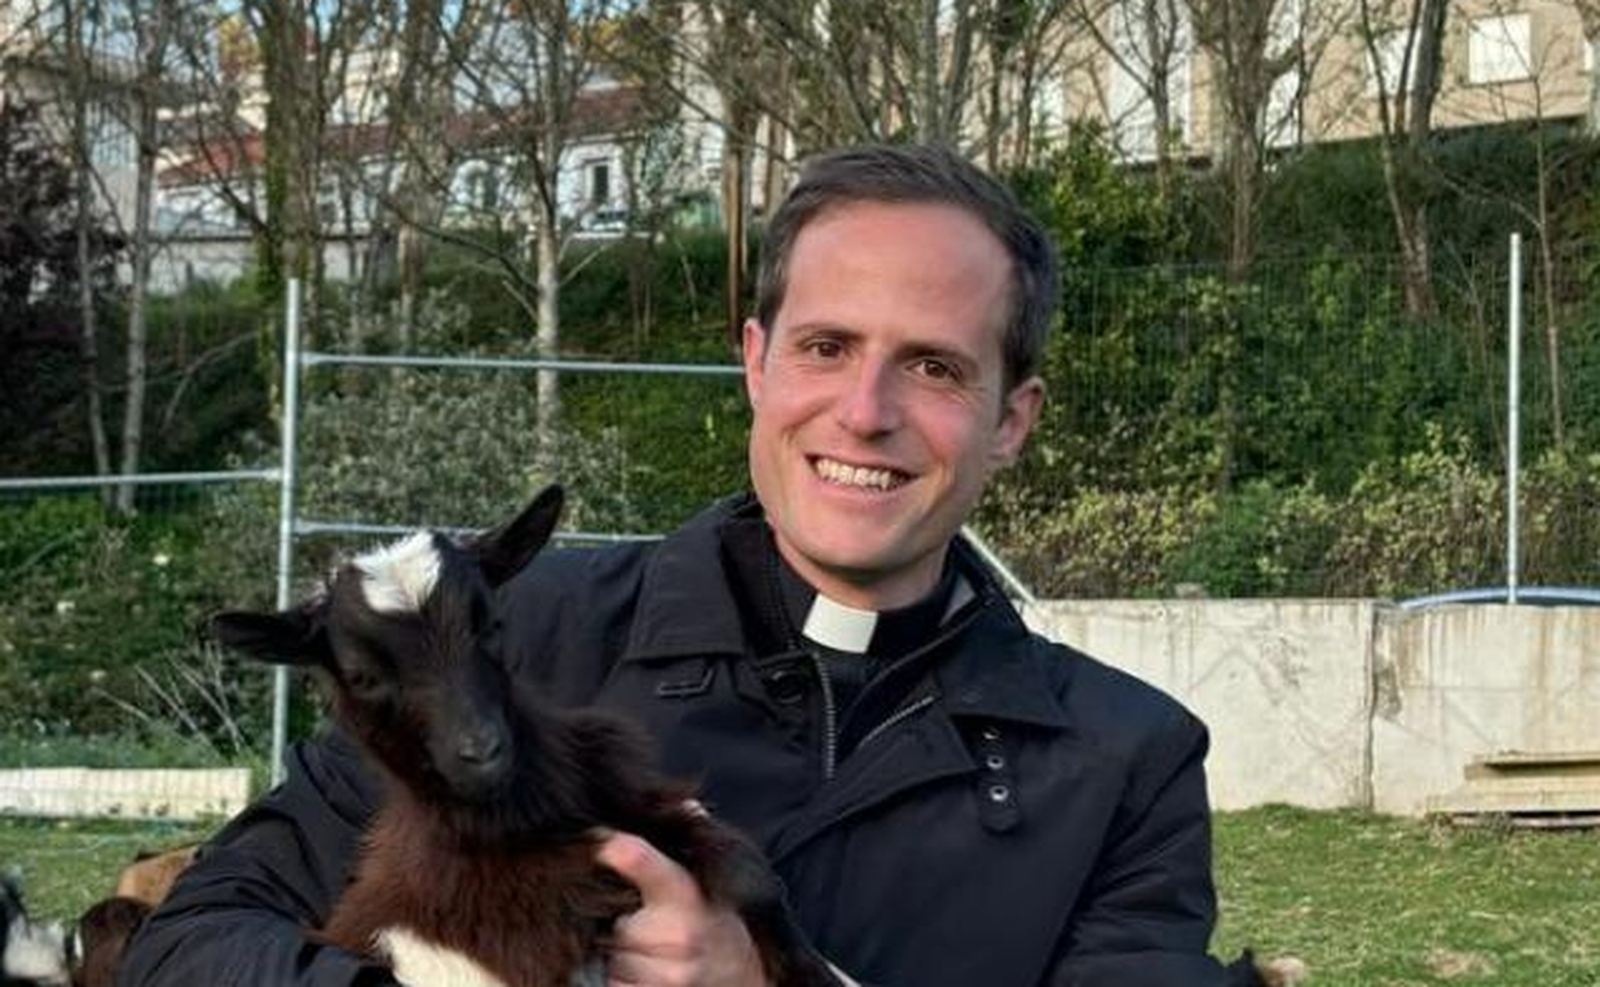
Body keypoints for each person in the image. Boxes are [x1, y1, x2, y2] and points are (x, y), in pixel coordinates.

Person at [119, 143, 1233, 987]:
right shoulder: (516, 642)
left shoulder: (1126, 767)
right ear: (756, 364)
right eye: (826, 347)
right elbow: (190, 943)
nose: (864, 413)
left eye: (934, 367)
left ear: (1010, 419)